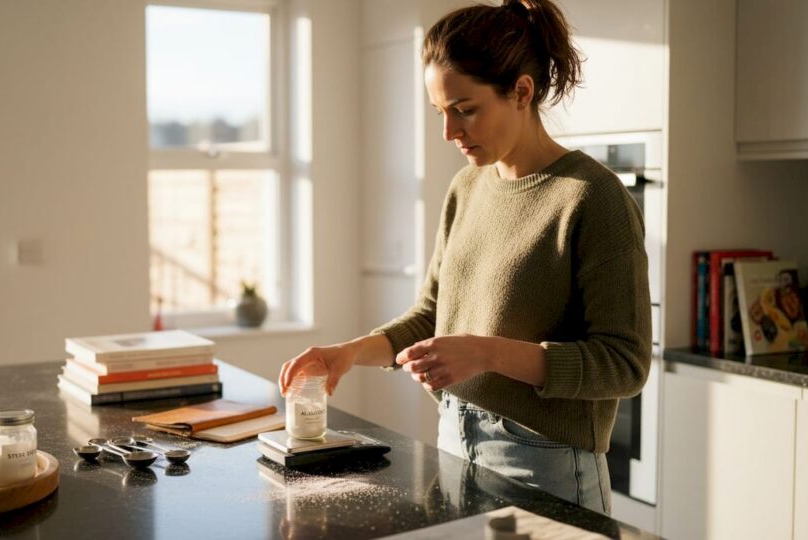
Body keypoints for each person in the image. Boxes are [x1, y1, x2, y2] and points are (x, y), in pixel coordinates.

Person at [278, 0, 651, 515]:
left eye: (465, 109)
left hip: (546, 465)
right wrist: (349, 352)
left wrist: (489, 353)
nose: (450, 133)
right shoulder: (466, 188)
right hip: (454, 445)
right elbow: (432, 316)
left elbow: (625, 364)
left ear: (521, 91)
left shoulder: (592, 197)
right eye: (440, 112)